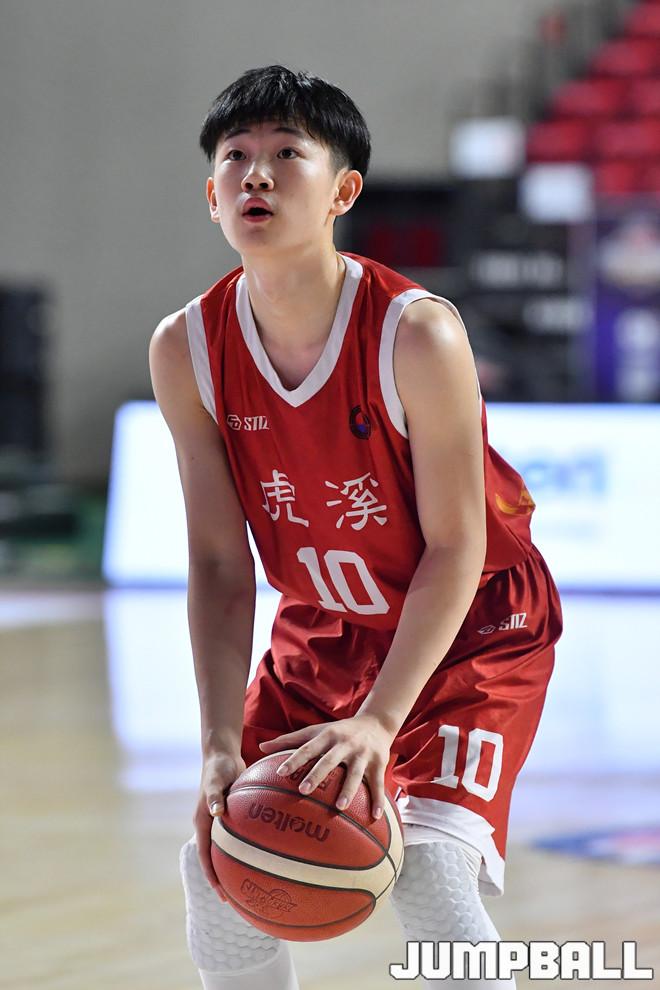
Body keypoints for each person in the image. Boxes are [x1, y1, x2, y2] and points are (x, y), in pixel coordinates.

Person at [149, 64, 563, 990]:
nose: (256, 174)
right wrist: (218, 743)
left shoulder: (417, 333)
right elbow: (218, 562)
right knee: (220, 864)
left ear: (343, 192)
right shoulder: (186, 346)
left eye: (286, 154)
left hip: (474, 627)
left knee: (431, 877)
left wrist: (380, 720)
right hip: (327, 631)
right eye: (235, 158)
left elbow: (457, 546)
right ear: (211, 196)